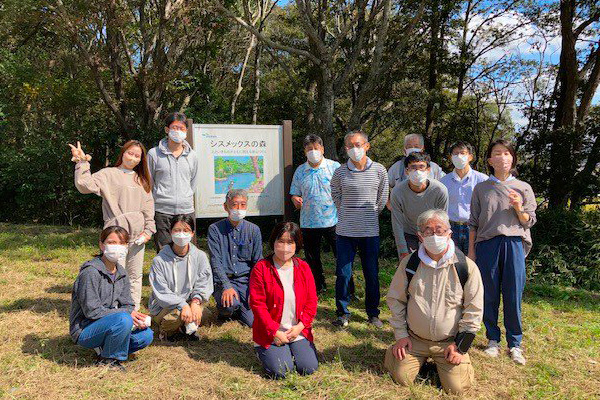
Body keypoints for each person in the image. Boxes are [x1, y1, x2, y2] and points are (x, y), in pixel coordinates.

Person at [385, 209, 483, 395]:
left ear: (449, 233)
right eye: (428, 231)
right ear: (420, 236)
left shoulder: (466, 267)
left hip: (449, 343)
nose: (434, 235)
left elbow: (474, 310)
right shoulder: (409, 264)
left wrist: (460, 346)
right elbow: (395, 299)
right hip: (414, 340)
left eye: (439, 230)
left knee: (457, 389)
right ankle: (405, 358)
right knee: (401, 378)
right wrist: (401, 336)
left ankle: (444, 365)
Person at [468, 139, 537, 365]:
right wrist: (471, 252)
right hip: (487, 244)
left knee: (513, 293)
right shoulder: (481, 188)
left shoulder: (524, 187)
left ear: (513, 158)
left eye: (507, 153)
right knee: (488, 294)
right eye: (497, 153)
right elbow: (474, 223)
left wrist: (518, 207)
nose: (503, 157)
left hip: (514, 243)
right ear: (490, 160)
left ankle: (515, 343)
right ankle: (492, 339)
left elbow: (528, 221)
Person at [69, 140, 156, 310]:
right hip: (116, 234)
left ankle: (133, 309)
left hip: (138, 236)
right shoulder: (108, 174)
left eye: (137, 155)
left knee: (135, 275)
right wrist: (82, 162)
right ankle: (114, 309)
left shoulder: (142, 179)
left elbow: (149, 207)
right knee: (115, 273)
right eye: (130, 153)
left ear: (141, 160)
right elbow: (84, 185)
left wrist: (148, 231)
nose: (132, 157)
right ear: (123, 153)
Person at [69, 226, 153, 371]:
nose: (117, 247)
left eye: (121, 244)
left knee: (146, 335)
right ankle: (108, 359)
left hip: (112, 323)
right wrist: (125, 314)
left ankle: (106, 347)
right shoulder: (90, 273)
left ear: (126, 247)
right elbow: (92, 312)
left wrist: (134, 317)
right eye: (112, 242)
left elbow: (128, 305)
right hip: (85, 329)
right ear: (102, 245)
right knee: (124, 319)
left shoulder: (122, 273)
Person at [330, 130, 389, 328]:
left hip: (369, 231)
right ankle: (342, 312)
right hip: (345, 231)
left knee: (371, 273)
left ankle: (373, 313)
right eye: (349, 146)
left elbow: (382, 197)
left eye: (358, 145)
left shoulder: (379, 170)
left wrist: (371, 213)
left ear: (367, 146)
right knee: (343, 273)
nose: (354, 149)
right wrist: (346, 211)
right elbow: (335, 193)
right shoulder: (340, 171)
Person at [249, 222, 318, 379]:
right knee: (281, 372)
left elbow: (312, 301)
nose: (285, 247)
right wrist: (275, 331)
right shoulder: (261, 268)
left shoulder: (303, 267)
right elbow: (257, 305)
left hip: (296, 330)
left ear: (297, 245)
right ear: (273, 241)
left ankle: (294, 350)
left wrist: (300, 326)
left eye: (290, 242)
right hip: (271, 332)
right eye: (280, 241)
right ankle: (263, 351)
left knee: (309, 368)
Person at [148, 214, 214, 341]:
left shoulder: (200, 256)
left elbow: (204, 282)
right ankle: (169, 330)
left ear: (192, 233)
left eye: (186, 230)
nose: (181, 234)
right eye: (177, 230)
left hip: (191, 301)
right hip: (166, 305)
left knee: (203, 314)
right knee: (176, 317)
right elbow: (161, 291)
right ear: (170, 232)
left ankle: (185, 328)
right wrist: (182, 305)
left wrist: (196, 301)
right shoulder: (159, 260)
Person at [290, 134, 341, 293]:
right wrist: (295, 200)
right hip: (309, 221)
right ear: (305, 151)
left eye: (316, 148)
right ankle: (318, 286)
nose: (313, 151)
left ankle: (347, 288)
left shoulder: (335, 167)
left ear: (323, 149)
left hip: (334, 220)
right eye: (309, 149)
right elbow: (294, 193)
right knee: (312, 258)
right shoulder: (300, 170)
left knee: (341, 256)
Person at [207, 189, 262, 327]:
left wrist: (255, 289)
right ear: (226, 206)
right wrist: (226, 286)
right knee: (230, 305)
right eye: (234, 204)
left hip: (246, 281)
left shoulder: (253, 230)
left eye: (243, 205)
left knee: (253, 322)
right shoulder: (215, 229)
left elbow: (258, 262)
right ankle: (228, 310)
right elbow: (215, 261)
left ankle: (240, 309)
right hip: (224, 280)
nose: (239, 209)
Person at [148, 112, 198, 252]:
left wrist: (185, 197)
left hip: (186, 210)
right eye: (174, 127)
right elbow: (149, 183)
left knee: (186, 249)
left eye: (182, 128)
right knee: (164, 249)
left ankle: (185, 274)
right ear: (166, 129)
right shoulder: (154, 154)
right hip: (162, 211)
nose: (178, 131)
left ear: (186, 131)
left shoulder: (192, 156)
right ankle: (165, 274)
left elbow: (193, 182)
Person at [390, 152, 448, 260]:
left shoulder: (440, 190)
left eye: (421, 167)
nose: (417, 172)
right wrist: (402, 250)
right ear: (407, 171)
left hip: (431, 234)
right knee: (410, 268)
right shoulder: (398, 191)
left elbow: (443, 220)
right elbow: (397, 222)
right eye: (413, 167)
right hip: (409, 233)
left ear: (428, 169)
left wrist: (442, 243)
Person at [440, 141, 488, 254]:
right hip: (451, 228)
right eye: (455, 154)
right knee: (453, 264)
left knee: (474, 263)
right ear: (450, 157)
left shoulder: (482, 180)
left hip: (474, 228)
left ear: (470, 157)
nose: (459, 156)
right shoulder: (443, 182)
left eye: (463, 153)